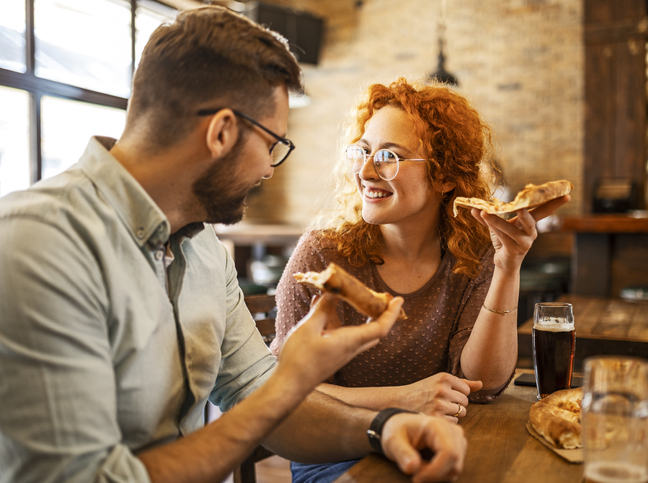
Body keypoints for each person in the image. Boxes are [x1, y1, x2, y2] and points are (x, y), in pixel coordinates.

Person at [0, 8, 468, 483]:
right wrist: (287, 384)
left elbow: (256, 394)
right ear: (221, 132)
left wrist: (383, 429)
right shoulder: (36, 243)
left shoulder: (202, 247)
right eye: (272, 145)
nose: (269, 169)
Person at [271, 77, 570, 482]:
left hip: (439, 442)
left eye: (389, 157)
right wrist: (401, 401)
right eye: (363, 152)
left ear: (444, 176)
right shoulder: (323, 253)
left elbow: (484, 384)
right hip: (336, 452)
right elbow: (282, 389)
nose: (366, 171)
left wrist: (508, 266)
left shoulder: (473, 252)